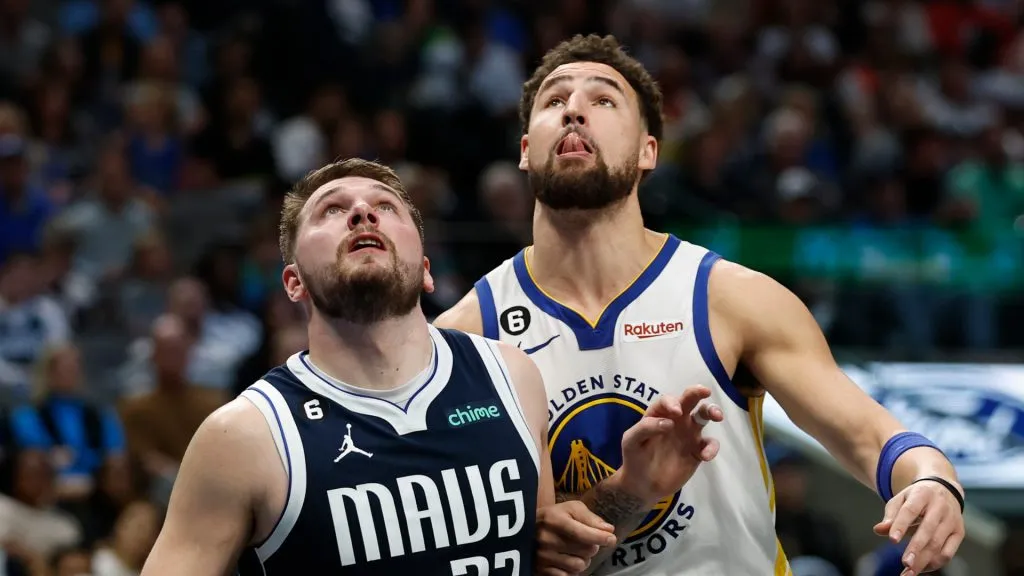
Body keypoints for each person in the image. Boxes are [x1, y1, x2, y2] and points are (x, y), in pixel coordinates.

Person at [434, 34, 966, 576]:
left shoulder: (730, 297)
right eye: (554, 100)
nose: (573, 109)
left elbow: (865, 431)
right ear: (525, 150)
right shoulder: (464, 334)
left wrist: (929, 474)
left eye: (603, 100)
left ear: (648, 150)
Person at [141, 158, 723, 575]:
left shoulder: (512, 375)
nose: (362, 212)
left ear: (425, 268)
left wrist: (634, 489)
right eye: (332, 210)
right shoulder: (243, 437)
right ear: (293, 282)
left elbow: (554, 561)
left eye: (384, 207)